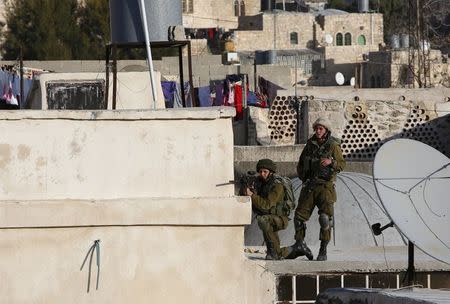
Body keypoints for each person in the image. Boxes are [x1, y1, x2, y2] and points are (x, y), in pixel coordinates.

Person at [284, 117, 345, 261]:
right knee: (299, 218)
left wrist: (332, 162)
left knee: (325, 218)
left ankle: (323, 249)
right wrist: (303, 177)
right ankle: (300, 244)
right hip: (310, 186)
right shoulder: (310, 145)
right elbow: (301, 164)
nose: (317, 131)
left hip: (325, 187)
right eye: (316, 128)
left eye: (321, 129)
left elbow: (342, 164)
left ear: (326, 130)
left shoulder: (333, 146)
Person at [246, 159, 288, 260]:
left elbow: (267, 205)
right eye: (260, 171)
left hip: (280, 218)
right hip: (269, 216)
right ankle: (290, 250)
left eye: (265, 171)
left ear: (271, 172)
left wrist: (252, 195)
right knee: (263, 219)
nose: (262, 174)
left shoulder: (277, 185)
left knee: (263, 220)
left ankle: (272, 252)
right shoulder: (260, 183)